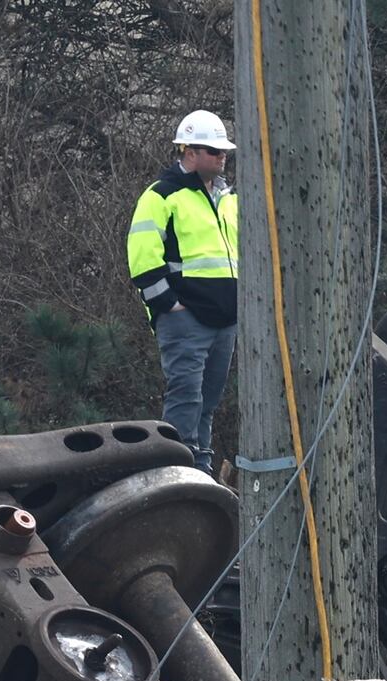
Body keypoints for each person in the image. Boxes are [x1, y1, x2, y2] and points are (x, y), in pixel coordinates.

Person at [127, 110, 239, 475]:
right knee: (186, 398)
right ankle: (177, 470)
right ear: (188, 151)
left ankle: (199, 468)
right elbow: (143, 258)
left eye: (223, 152)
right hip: (186, 318)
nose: (221, 157)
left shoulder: (228, 198)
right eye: (213, 151)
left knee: (207, 402)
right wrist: (167, 305)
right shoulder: (161, 195)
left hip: (224, 319)